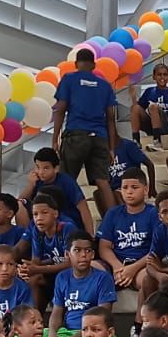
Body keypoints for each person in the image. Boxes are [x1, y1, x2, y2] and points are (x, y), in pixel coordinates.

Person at [52, 47, 119, 213]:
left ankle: (62, 216)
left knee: (66, 179)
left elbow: (60, 109)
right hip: (99, 137)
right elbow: (111, 118)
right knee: (103, 181)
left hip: (76, 135)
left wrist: (55, 139)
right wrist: (111, 148)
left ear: (76, 64)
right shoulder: (105, 86)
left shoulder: (69, 79)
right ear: (94, 65)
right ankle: (115, 219)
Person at [48, 233, 117, 337]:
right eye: (77, 250)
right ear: (67, 254)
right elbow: (57, 312)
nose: (83, 255)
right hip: (67, 332)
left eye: (88, 250)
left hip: (94, 332)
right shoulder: (62, 277)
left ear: (93, 254)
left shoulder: (103, 278)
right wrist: (52, 333)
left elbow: (103, 317)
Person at [98, 168, 159, 291]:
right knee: (92, 267)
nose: (129, 192)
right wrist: (117, 266)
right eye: (125, 188)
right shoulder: (113, 213)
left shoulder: (154, 214)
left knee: (148, 279)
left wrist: (133, 268)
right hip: (117, 265)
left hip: (143, 266)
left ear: (145, 189)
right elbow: (104, 247)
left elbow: (157, 250)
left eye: (134, 187)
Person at [19, 147, 92, 234]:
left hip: (66, 223)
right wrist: (31, 185)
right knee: (19, 205)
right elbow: (20, 201)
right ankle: (26, 236)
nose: (41, 172)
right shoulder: (36, 181)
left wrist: (90, 234)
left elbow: (83, 208)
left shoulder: (66, 182)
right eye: (38, 167)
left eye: (46, 168)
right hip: (43, 221)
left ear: (56, 168)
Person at [133, 62, 168, 150]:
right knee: (135, 107)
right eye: (159, 74)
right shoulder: (149, 91)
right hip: (151, 125)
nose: (162, 77)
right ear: (154, 77)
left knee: (153, 106)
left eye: (165, 75)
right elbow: (139, 111)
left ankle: (157, 141)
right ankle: (136, 141)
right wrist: (133, 98)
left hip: (167, 126)